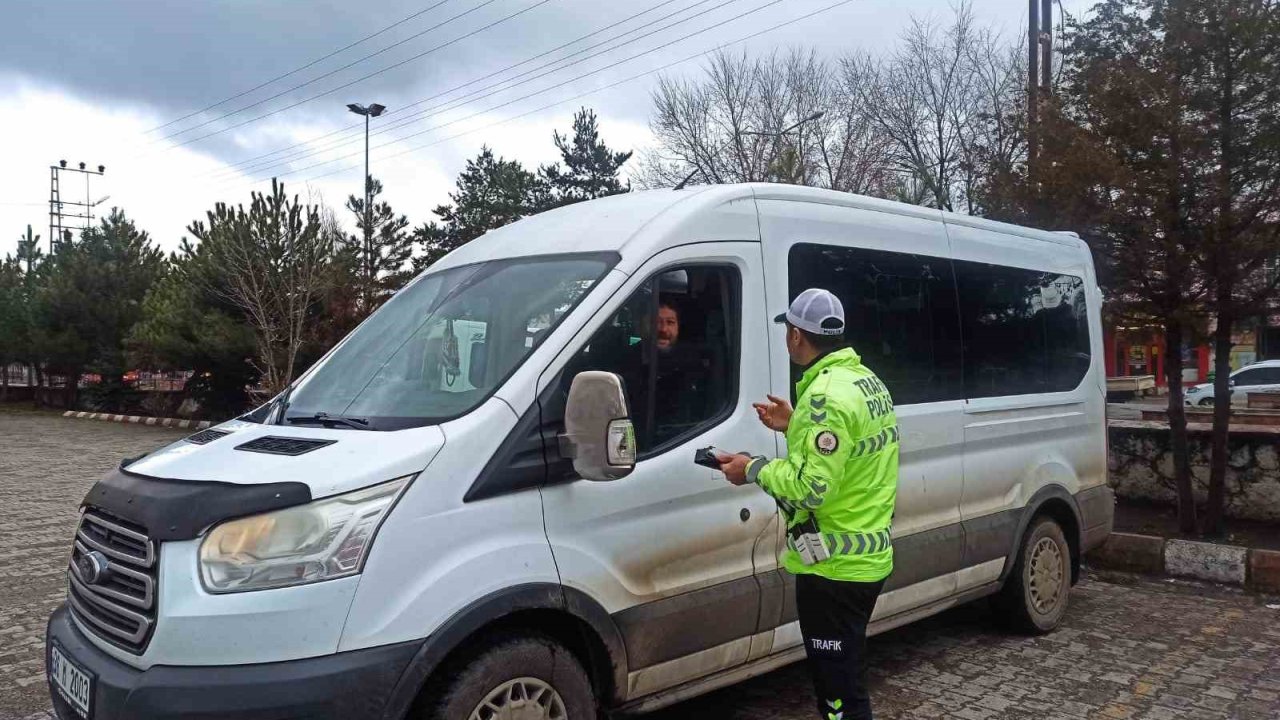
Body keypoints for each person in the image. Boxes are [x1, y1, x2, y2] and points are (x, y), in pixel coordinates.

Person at [717, 288, 899, 720]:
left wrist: (753, 467)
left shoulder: (825, 397)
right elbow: (848, 450)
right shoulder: (865, 382)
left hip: (833, 568)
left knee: (839, 695)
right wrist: (795, 422)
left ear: (796, 336)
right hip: (864, 559)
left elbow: (811, 488)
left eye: (789, 332)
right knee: (846, 678)